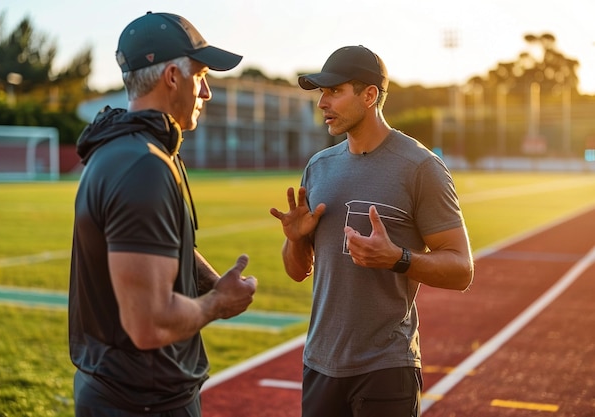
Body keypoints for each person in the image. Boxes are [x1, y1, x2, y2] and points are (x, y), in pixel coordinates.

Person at [68, 12, 257, 417]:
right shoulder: (144, 166)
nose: (206, 92)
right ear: (172, 76)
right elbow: (148, 324)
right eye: (201, 75)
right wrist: (218, 303)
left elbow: (156, 243)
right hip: (141, 402)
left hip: (124, 391)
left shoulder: (127, 149)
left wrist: (206, 278)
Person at [270, 45, 474, 417]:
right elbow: (299, 271)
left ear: (369, 96)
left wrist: (398, 259)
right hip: (320, 363)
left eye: (334, 91)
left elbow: (462, 269)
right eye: (321, 93)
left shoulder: (421, 167)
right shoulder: (318, 167)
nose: (322, 104)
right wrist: (295, 239)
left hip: (386, 367)